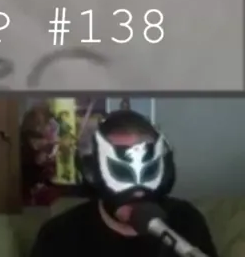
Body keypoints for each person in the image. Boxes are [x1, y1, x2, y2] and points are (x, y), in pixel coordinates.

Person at [29, 109, 218, 256]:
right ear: (93, 174)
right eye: (121, 171)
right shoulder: (59, 235)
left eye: (149, 171)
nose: (137, 192)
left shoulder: (186, 222)